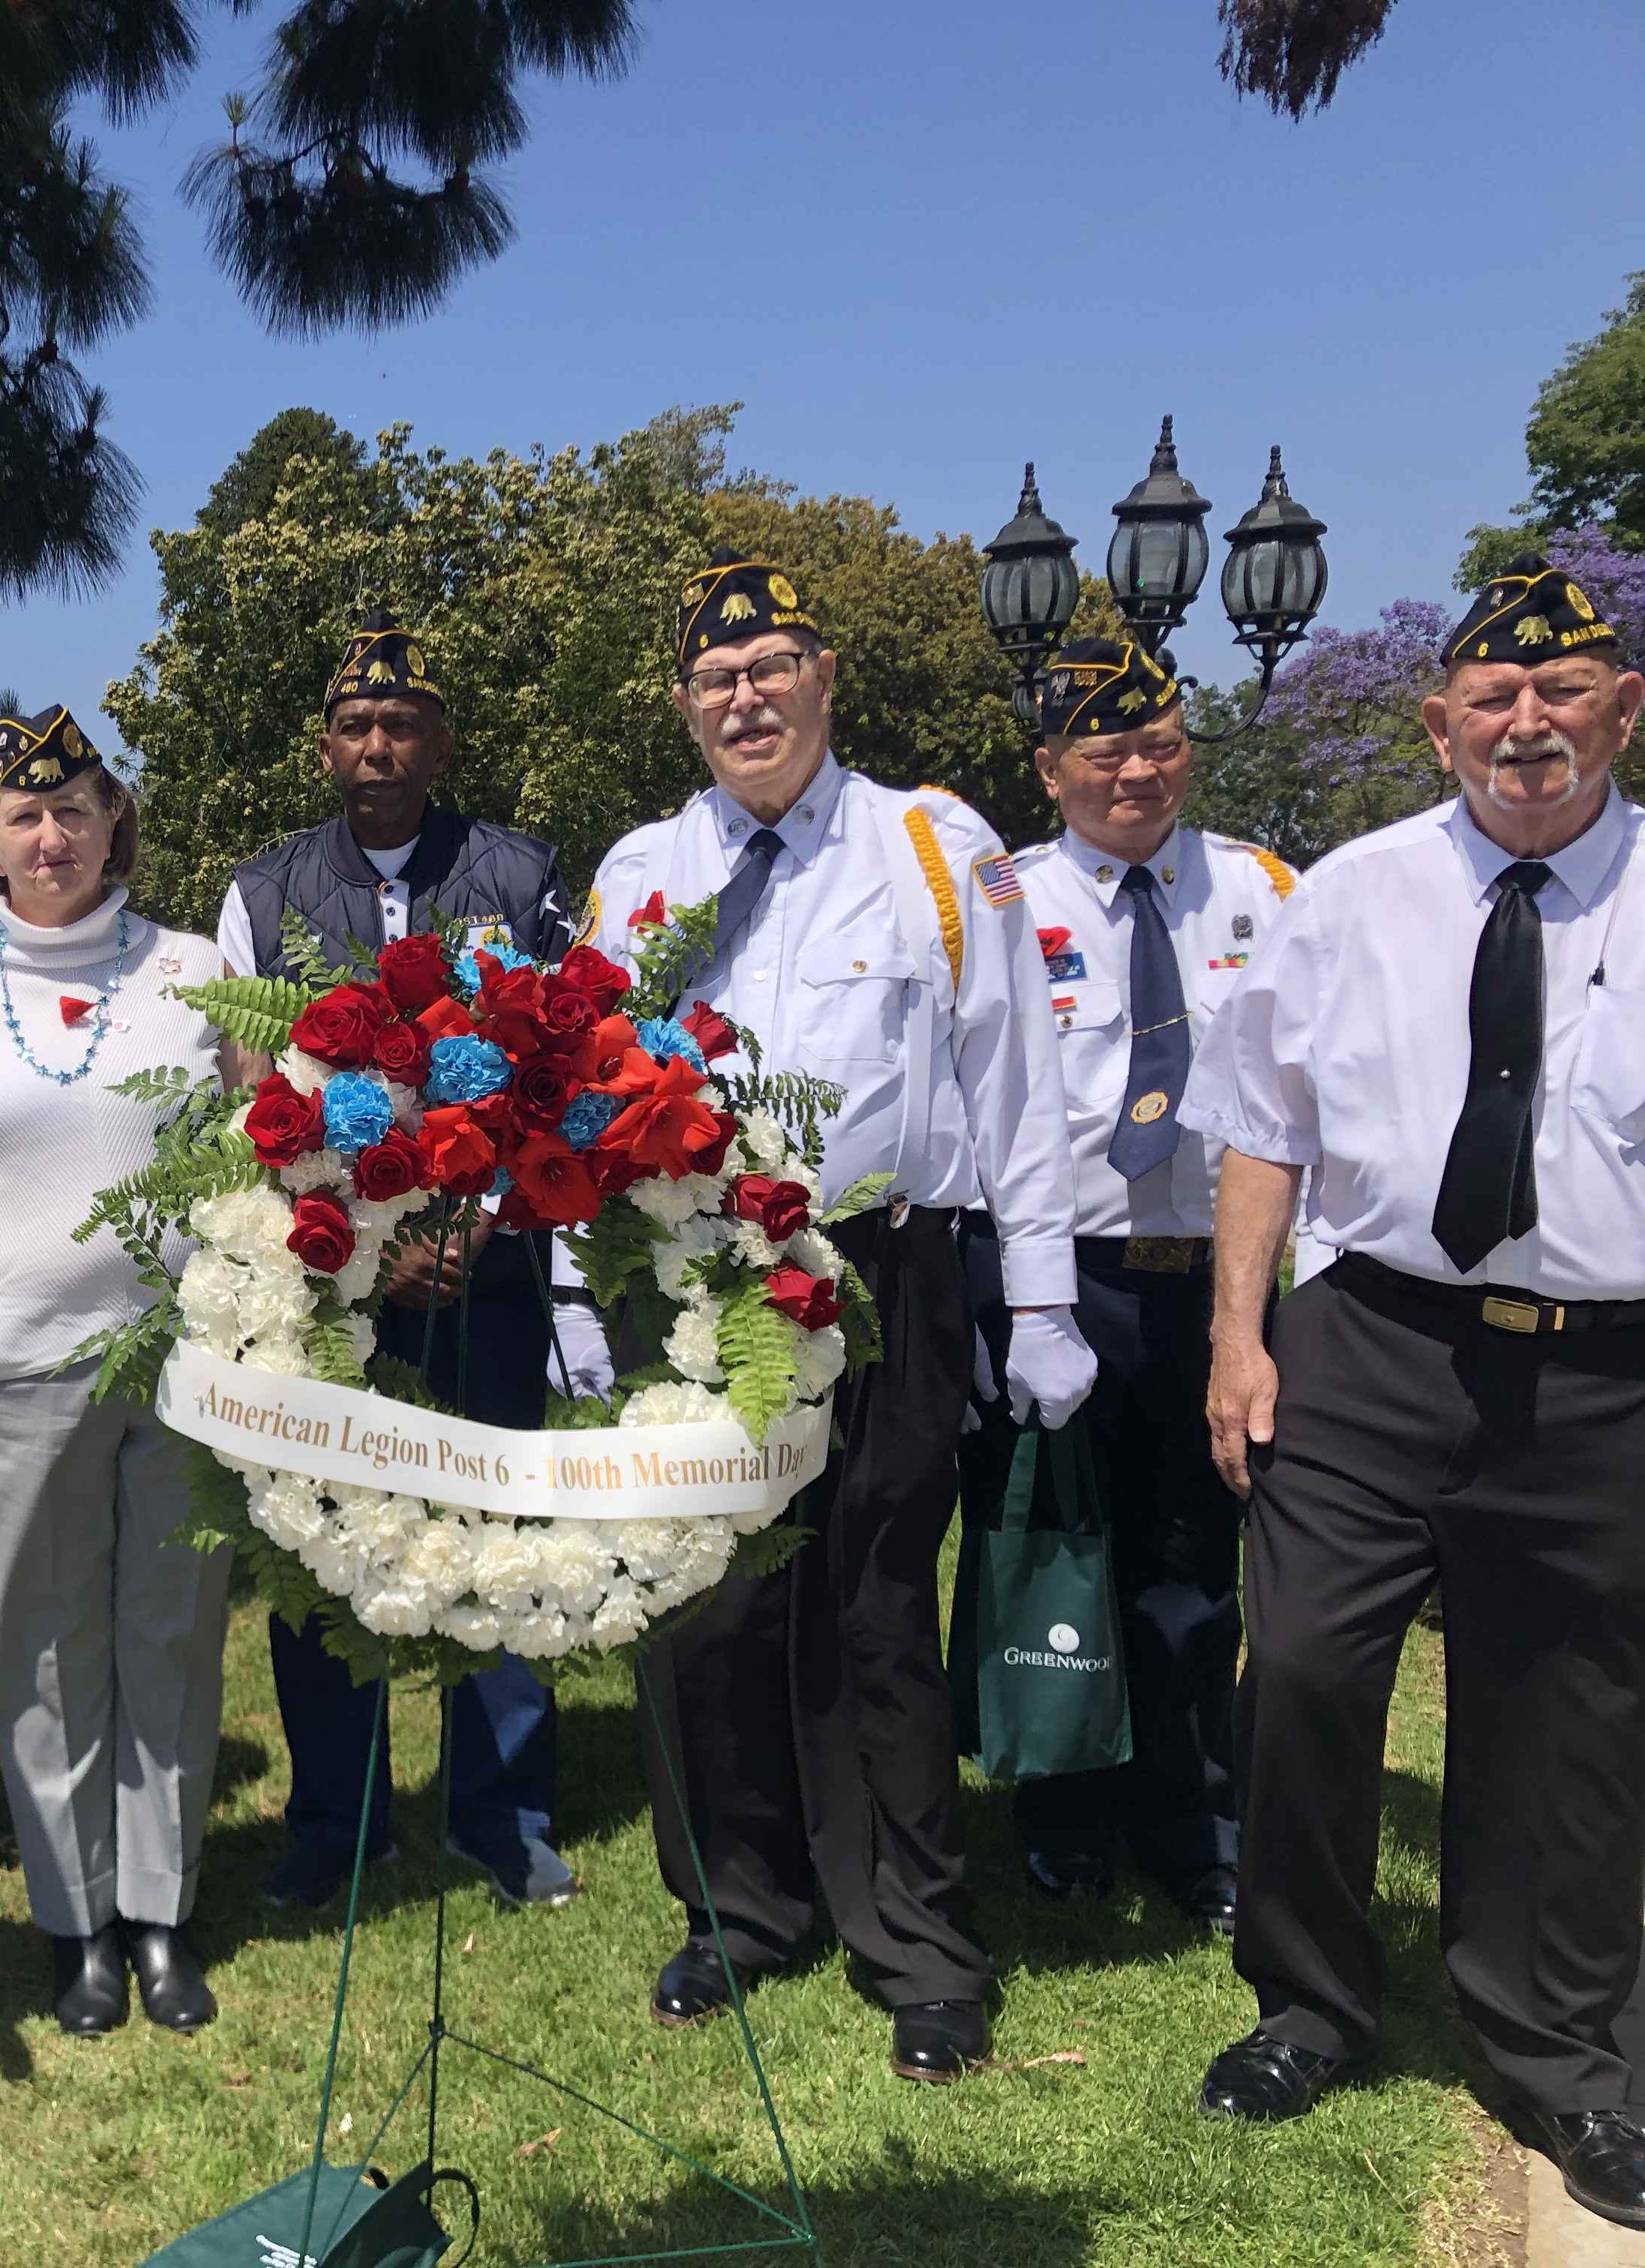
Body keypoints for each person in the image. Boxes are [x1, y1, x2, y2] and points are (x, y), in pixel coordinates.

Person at [555, 550, 1090, 2083]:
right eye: (716, 680)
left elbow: (1015, 1082)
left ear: (823, 677)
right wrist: (584, 1301)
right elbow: (591, 1098)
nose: (746, 698)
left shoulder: (933, 845)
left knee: (871, 1606)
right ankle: (737, 1910)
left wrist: (1039, 1295)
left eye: (771, 667)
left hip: (880, 1271)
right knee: (703, 1606)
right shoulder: (639, 872)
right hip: (690, 1272)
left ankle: (916, 1941)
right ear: (684, 707)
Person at [1183, 555, 1645, 2232]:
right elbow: (1262, 1131)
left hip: (1601, 1369)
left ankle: (1559, 2053)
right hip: (1371, 1341)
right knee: (1304, 1669)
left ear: (1623, 712)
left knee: (1566, 1713)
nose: (1528, 726)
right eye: (1494, 701)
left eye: (1564, 693)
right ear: (1440, 723)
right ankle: (1306, 2003)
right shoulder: (1350, 895)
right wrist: (1240, 1342)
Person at [0, 707, 234, 2037]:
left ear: (113, 821)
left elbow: (259, 1153)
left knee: (170, 1638)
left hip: (186, 1370)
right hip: (9, 1372)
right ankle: (77, 1925)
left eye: (75, 808)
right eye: (25, 816)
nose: (52, 835)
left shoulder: (194, 970)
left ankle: (164, 1915)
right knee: (47, 1654)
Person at [215, 608, 580, 1912]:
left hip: (491, 1261)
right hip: (331, 1275)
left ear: (438, 740)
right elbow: (253, 1099)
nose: (379, 745)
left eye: (402, 724)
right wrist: (369, 1237)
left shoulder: (520, 874)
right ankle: (338, 1818)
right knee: (327, 1548)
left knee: (498, 1528)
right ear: (326, 747)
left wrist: (470, 1219)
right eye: (357, 726)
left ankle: (505, 1812)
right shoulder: (262, 890)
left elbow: (558, 1066)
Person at [962, 639, 1292, 1931]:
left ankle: (1195, 1824)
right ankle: (1061, 1815)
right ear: (1050, 768)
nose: (1138, 770)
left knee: (1194, 1561)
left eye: (1158, 741)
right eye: (1105, 750)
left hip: (1211, 1285)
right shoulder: (1000, 899)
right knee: (1050, 1552)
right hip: (1054, 1279)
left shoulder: (1264, 890)